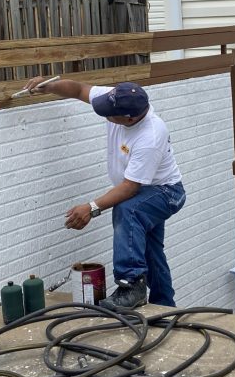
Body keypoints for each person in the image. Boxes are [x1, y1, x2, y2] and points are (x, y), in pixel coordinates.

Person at [20, 77, 185, 311]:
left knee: (129, 210)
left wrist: (91, 207)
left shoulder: (150, 135)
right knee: (150, 250)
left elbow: (130, 189)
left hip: (166, 193)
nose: (105, 114)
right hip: (144, 189)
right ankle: (165, 306)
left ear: (130, 118)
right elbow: (78, 88)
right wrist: (49, 86)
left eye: (110, 114)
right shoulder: (118, 98)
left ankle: (131, 285)